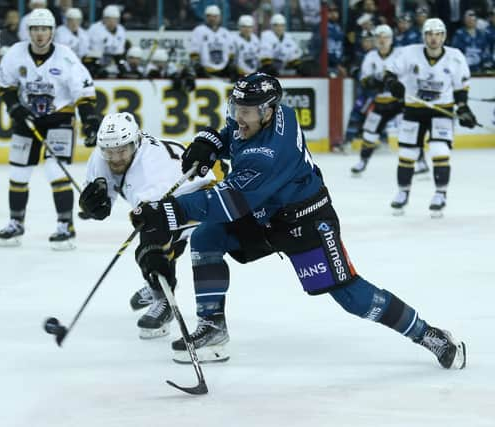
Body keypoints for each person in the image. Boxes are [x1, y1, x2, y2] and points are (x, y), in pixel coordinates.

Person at [130, 72, 466, 371]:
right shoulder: (275, 113)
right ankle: (213, 327)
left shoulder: (270, 156)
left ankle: (427, 334)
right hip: (266, 213)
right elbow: (234, 135)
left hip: (305, 221)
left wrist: (166, 212)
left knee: (352, 297)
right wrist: (213, 141)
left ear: (267, 111)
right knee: (206, 239)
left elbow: (224, 202)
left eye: (245, 112)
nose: (238, 117)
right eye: (236, 109)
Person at [78, 112, 215, 338]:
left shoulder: (150, 169)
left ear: (136, 143)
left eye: (122, 151)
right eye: (110, 152)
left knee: (153, 247)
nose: (116, 158)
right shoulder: (104, 153)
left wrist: (153, 258)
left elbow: (156, 223)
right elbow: (101, 190)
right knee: (159, 242)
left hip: (201, 195)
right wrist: (93, 204)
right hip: (165, 198)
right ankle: (158, 287)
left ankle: (162, 298)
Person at [0, 8, 100, 249]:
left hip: (58, 118)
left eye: (44, 29)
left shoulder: (65, 57)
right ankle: (15, 223)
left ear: (52, 31)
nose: (40, 34)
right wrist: (15, 107)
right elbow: (5, 85)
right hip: (27, 120)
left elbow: (84, 92)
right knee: (18, 173)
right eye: (35, 29)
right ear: (28, 31)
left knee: (55, 170)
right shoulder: (16, 54)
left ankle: (66, 226)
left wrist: (90, 121)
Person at [384, 18, 477, 217]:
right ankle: (403, 192)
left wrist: (463, 109)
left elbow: (461, 88)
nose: (433, 39)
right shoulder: (410, 53)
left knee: (439, 149)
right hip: (414, 110)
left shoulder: (455, 57)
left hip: (441, 109)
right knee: (407, 154)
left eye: (437, 34)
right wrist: (393, 83)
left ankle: (440, 194)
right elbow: (390, 72)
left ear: (443, 36)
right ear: (424, 36)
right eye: (429, 34)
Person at [350, 25, 403, 175]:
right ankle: (362, 161)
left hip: (399, 103)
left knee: (408, 132)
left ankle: (419, 161)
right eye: (379, 37)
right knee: (369, 132)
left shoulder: (400, 54)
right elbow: (364, 80)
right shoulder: (370, 57)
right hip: (380, 102)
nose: (382, 40)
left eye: (385, 37)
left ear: (391, 39)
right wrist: (375, 82)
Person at [189, 5, 235, 78]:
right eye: (210, 16)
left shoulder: (226, 33)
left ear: (220, 17)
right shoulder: (199, 31)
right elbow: (194, 52)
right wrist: (198, 67)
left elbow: (231, 53)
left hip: (223, 72)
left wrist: (230, 67)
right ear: (206, 17)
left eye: (215, 16)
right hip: (205, 71)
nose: (212, 19)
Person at [86, 5, 127, 78]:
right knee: (93, 69)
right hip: (94, 58)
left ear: (118, 20)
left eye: (114, 19)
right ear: (104, 19)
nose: (111, 22)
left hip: (113, 58)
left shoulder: (121, 30)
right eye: (108, 19)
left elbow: (119, 51)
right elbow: (94, 51)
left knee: (122, 66)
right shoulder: (94, 29)